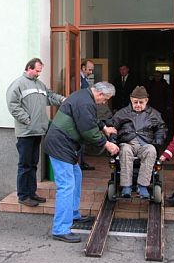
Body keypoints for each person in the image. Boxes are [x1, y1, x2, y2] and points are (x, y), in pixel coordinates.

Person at [44, 82, 119, 243]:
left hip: (66, 145)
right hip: (60, 144)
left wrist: (104, 127)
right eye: (105, 99)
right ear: (99, 94)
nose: (104, 102)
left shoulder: (85, 96)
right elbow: (88, 131)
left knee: (76, 176)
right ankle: (60, 229)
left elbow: (89, 120)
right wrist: (107, 144)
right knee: (66, 185)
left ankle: (73, 214)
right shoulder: (85, 102)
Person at [6, 58, 65, 208]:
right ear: (29, 68)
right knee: (25, 164)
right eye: (37, 70)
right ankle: (23, 195)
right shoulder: (18, 84)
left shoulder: (39, 85)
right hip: (26, 132)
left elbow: (50, 96)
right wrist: (27, 120)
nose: (39, 74)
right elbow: (13, 105)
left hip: (38, 130)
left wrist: (64, 100)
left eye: (40, 71)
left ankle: (31, 193)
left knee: (33, 164)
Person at [109, 85, 167, 199]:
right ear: (131, 99)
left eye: (141, 102)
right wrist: (113, 142)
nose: (138, 105)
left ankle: (143, 186)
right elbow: (112, 128)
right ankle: (126, 186)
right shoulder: (122, 113)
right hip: (127, 143)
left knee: (151, 150)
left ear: (146, 101)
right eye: (135, 102)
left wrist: (157, 141)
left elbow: (162, 128)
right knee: (124, 150)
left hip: (145, 144)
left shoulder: (153, 114)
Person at [80, 59, 95, 170]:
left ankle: (82, 161)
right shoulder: (77, 79)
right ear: (83, 68)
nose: (91, 72)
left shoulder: (84, 79)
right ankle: (80, 162)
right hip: (80, 112)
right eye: (89, 69)